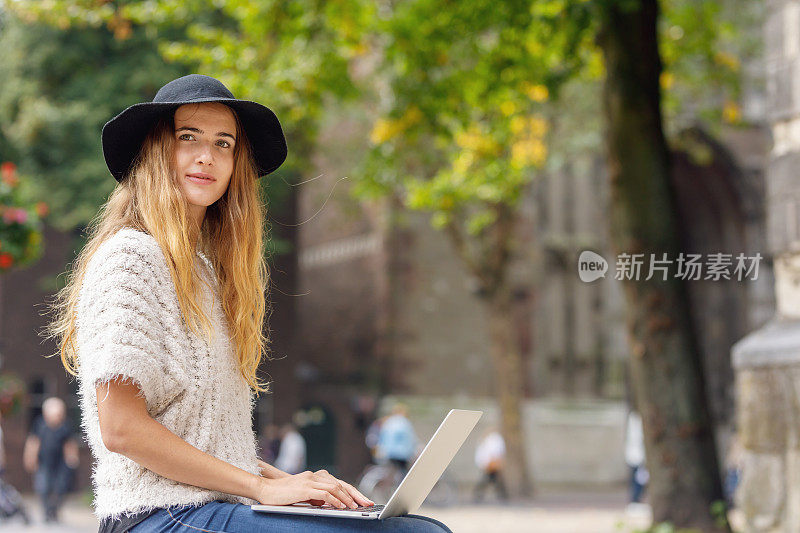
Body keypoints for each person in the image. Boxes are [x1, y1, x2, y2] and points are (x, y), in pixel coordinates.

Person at [44, 74, 452, 533]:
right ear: (155, 151)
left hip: (209, 508)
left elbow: (208, 444)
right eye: (188, 138)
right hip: (158, 516)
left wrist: (294, 484)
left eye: (224, 144)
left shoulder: (206, 271)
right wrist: (262, 490)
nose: (207, 156)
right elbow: (121, 429)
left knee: (413, 526)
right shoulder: (131, 257)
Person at [22, 397, 80, 523]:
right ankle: (47, 512)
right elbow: (33, 442)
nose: (58, 416)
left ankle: (54, 510)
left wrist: (72, 458)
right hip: (43, 462)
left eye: (60, 413)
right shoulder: (39, 424)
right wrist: (30, 458)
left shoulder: (66, 425)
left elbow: (70, 443)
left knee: (61, 487)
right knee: (43, 487)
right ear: (46, 413)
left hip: (60, 462)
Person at [376, 404, 419, 475]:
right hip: (402, 453)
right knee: (403, 472)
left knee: (391, 470)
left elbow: (382, 437)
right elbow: (410, 439)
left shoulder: (388, 422)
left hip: (388, 453)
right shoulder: (405, 422)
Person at [472, 428, 507, 503]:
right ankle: (502, 495)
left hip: (490, 464)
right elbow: (494, 453)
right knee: (490, 480)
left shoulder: (490, 440)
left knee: (491, 480)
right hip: (490, 465)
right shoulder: (492, 441)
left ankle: (502, 495)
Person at [624, 409, 649, 505]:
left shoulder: (634, 418)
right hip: (637, 455)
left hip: (636, 455)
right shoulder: (636, 418)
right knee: (637, 479)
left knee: (638, 479)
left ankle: (636, 499)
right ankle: (635, 500)